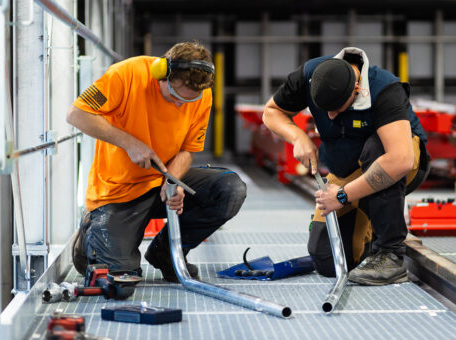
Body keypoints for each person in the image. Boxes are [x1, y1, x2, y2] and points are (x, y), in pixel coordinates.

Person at [68, 41, 247, 281]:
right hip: (118, 192)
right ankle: (91, 234)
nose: (179, 105)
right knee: (119, 279)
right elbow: (77, 114)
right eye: (174, 96)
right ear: (160, 74)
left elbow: (187, 150)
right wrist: (129, 143)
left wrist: (173, 183)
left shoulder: (202, 96)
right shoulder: (126, 74)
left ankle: (167, 254)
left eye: (187, 101)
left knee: (229, 189)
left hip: (159, 182)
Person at [263, 47, 430, 285]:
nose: (330, 116)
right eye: (325, 110)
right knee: (327, 260)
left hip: (400, 163)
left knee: (378, 150)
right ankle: (369, 237)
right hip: (347, 171)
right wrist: (298, 137)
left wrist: (341, 196)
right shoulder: (309, 75)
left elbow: (399, 160)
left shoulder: (384, 89)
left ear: (356, 90)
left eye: (337, 108)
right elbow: (271, 111)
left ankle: (390, 253)